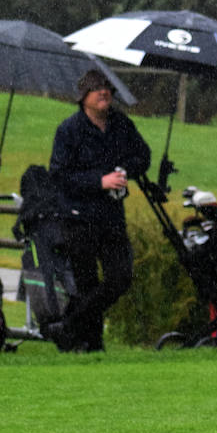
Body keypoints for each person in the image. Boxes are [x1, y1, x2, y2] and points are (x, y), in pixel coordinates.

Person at [44, 69, 150, 352]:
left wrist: (124, 170)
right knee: (87, 284)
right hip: (79, 219)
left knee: (120, 277)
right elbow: (59, 176)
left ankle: (69, 326)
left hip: (112, 217)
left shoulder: (121, 125)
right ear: (83, 97)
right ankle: (92, 347)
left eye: (107, 87)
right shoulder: (68, 130)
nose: (104, 92)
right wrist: (98, 181)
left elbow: (144, 156)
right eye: (96, 88)